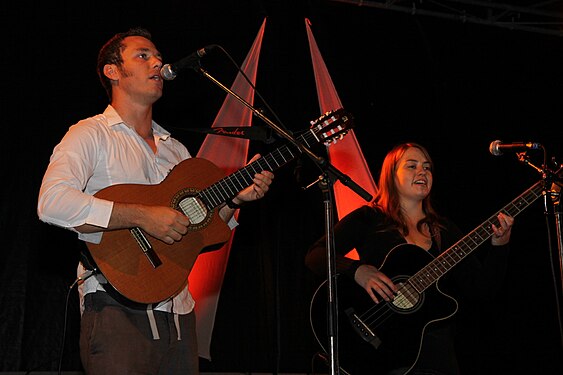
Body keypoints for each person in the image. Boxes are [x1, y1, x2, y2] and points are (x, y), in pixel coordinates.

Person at [37, 27, 274, 375]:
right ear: (113, 71)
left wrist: (233, 200)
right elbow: (52, 202)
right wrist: (141, 216)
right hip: (116, 309)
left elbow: (197, 226)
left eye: (158, 56)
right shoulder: (90, 134)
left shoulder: (176, 150)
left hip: (179, 314)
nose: (158, 62)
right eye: (143, 55)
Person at [305, 142, 514, 375]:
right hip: (383, 353)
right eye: (412, 166)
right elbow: (315, 255)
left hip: (437, 356)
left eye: (427, 167)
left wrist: (500, 245)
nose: (422, 172)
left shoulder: (444, 229)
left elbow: (482, 289)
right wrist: (358, 270)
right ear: (391, 176)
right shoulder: (370, 218)